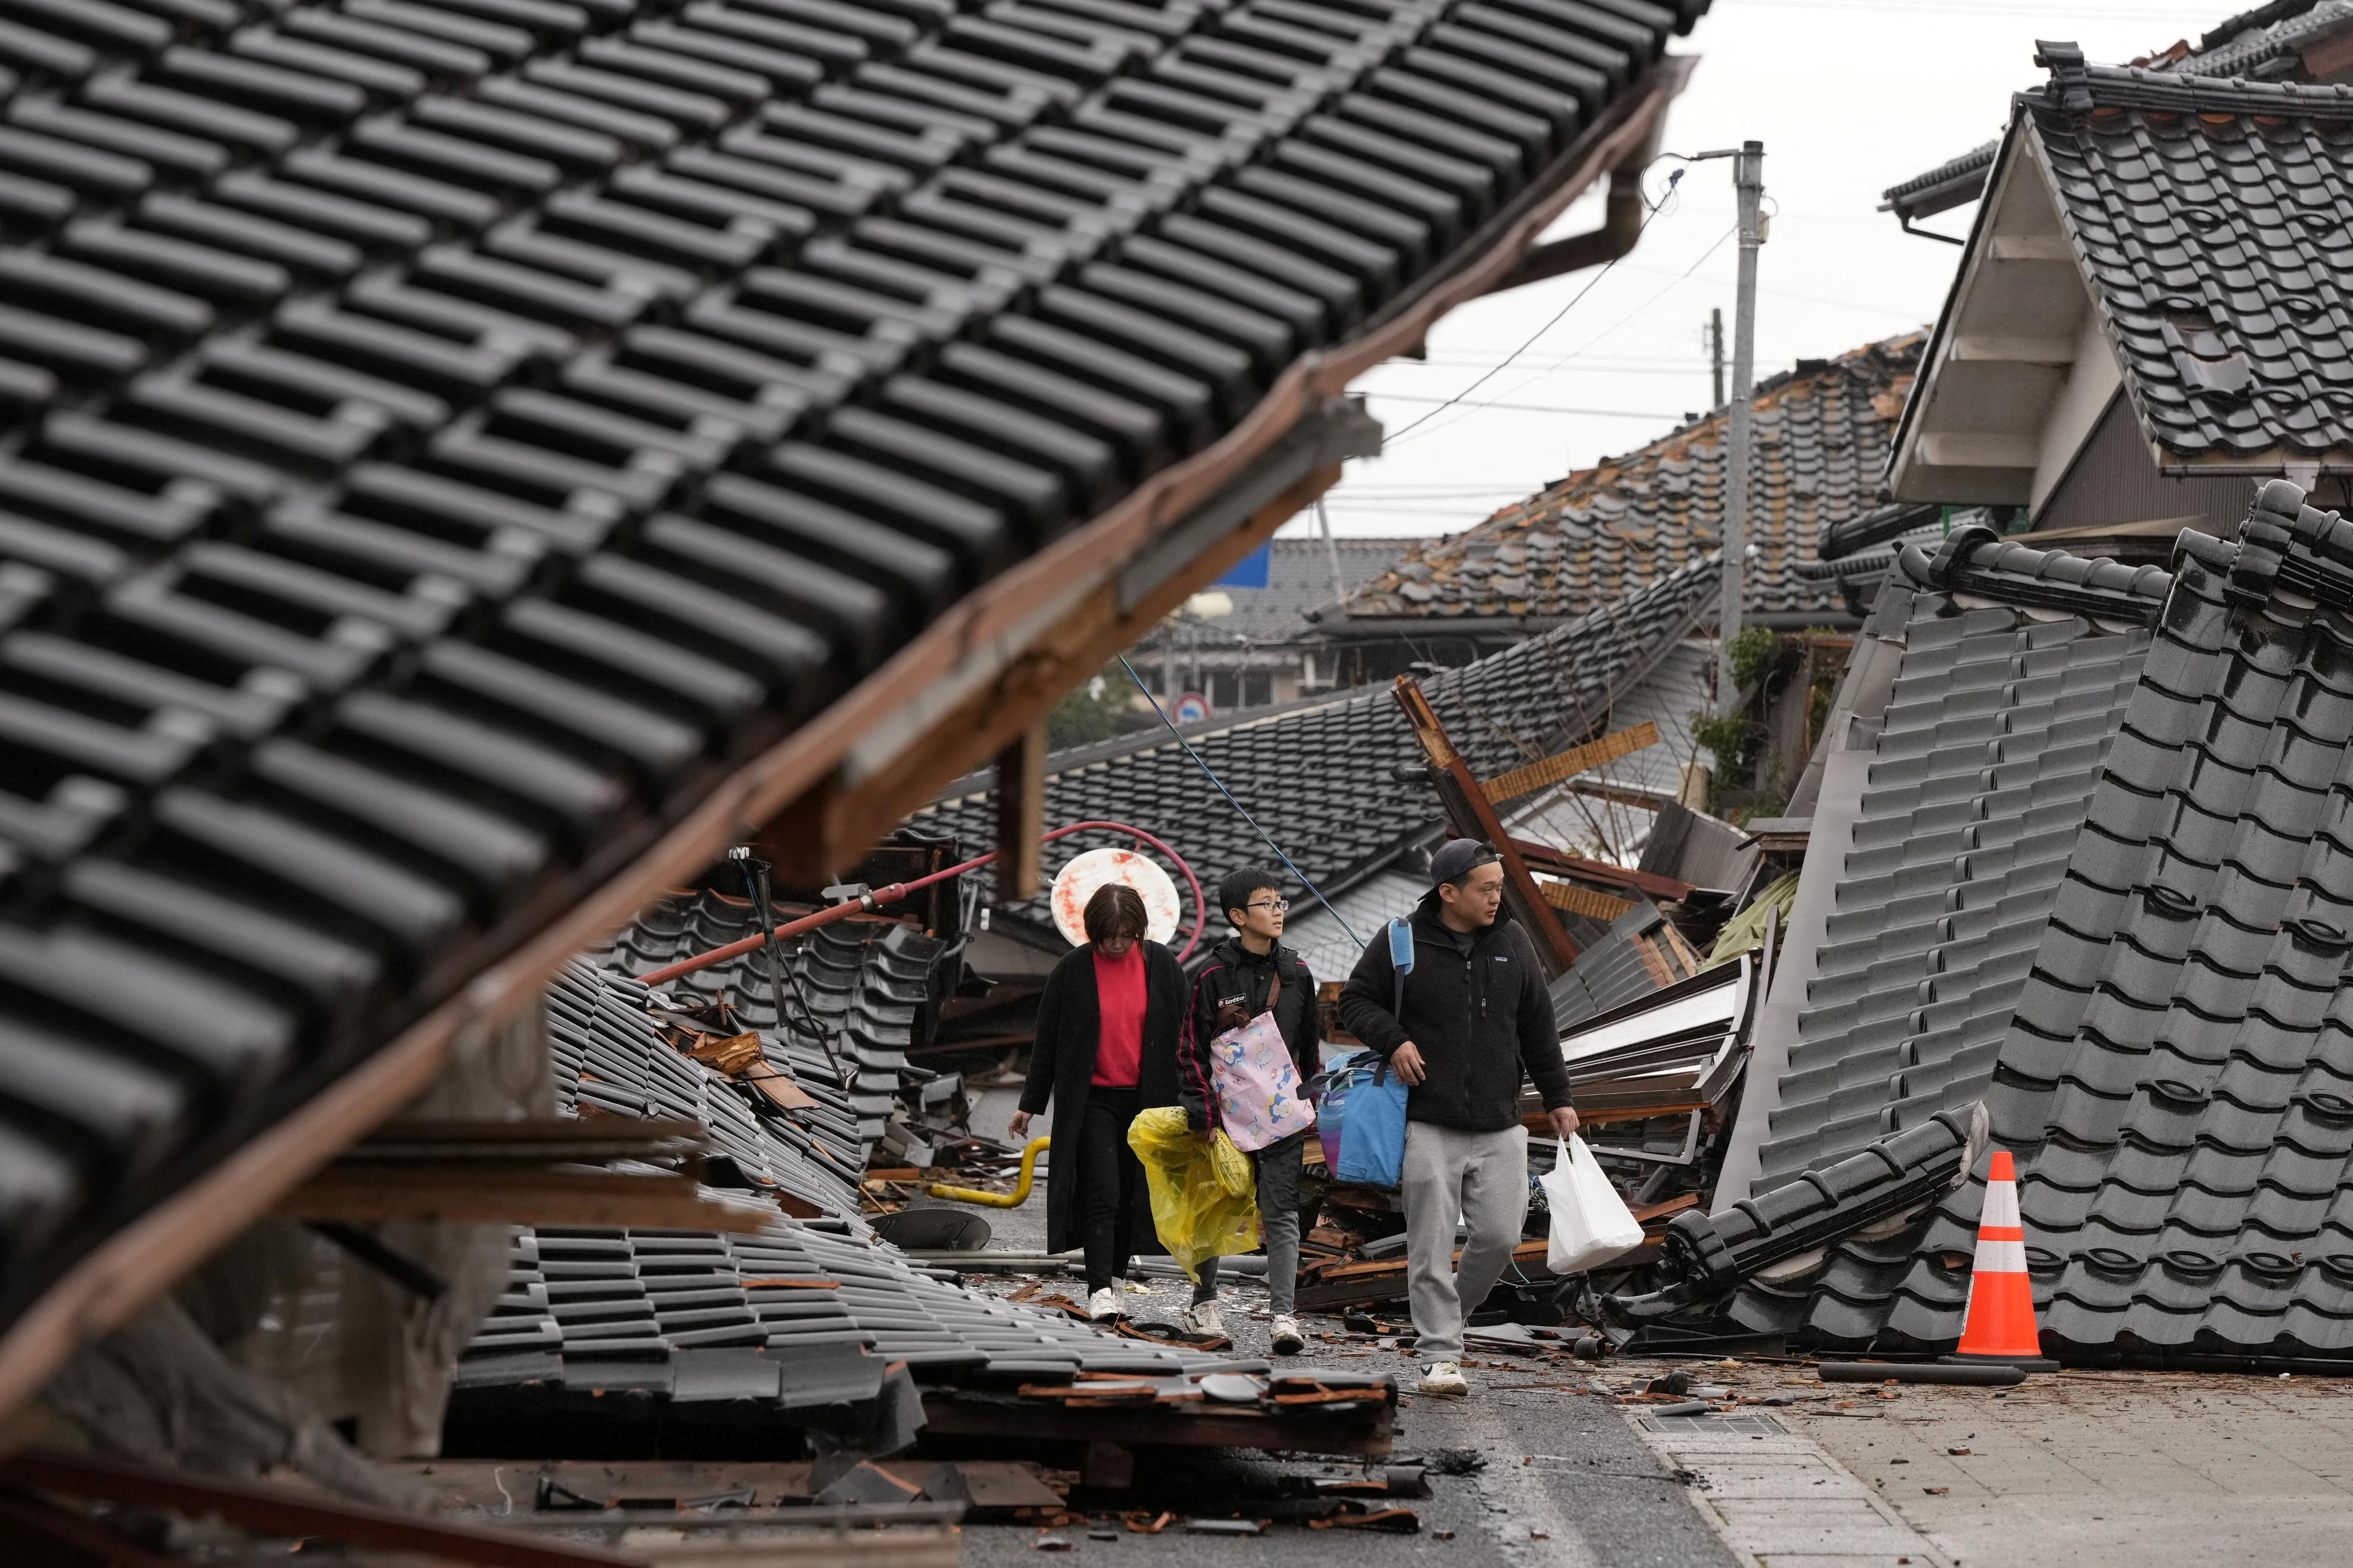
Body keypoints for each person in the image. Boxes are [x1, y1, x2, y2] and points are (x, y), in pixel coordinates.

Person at [1336, 839, 1578, 1398]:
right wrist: (1394, 1041)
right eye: (1486, 888)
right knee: (1430, 1242)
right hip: (1429, 1120)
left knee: (1499, 1236)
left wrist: (1558, 1096)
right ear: (1449, 892)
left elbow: (1539, 1027)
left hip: (1500, 1123)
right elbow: (1355, 1001)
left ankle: (1450, 1317)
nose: (1498, 897)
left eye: (1500, 886)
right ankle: (1440, 1353)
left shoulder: (1513, 942)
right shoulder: (1402, 940)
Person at [1009, 882, 1195, 1321]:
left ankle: (1113, 1281)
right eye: (1108, 935)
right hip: (1094, 1100)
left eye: (1126, 934)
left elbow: (1190, 1036)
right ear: (1093, 931)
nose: (1116, 944)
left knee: (1135, 1194)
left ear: (1139, 931)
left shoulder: (1163, 966)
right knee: (1102, 1192)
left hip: (1149, 1103)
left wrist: (1197, 1096)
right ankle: (1098, 1288)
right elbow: (1047, 1043)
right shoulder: (1072, 970)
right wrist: (1030, 1103)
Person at [1181, 867, 1320, 1353]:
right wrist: (1201, 1110)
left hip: (1282, 1116)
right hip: (1222, 1119)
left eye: (1281, 902)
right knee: (1216, 1208)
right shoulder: (1213, 974)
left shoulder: (1298, 973)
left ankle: (1284, 1315)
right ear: (1239, 916)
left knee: (1282, 1213)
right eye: (1267, 904)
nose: (1279, 911)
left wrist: (1311, 1100)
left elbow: (1309, 1048)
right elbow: (1190, 1048)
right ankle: (1205, 1302)